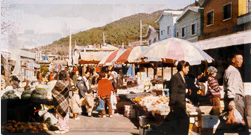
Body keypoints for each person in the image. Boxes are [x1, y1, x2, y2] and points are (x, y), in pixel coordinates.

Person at [215, 53, 248, 134]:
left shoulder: (232, 70)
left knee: (231, 120)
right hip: (235, 98)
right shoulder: (233, 71)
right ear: (233, 60)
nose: (241, 61)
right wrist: (231, 100)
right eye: (239, 59)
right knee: (239, 122)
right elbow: (231, 86)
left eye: (242, 59)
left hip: (234, 98)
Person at [168, 60, 190, 134]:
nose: (188, 70)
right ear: (183, 67)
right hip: (177, 105)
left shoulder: (183, 77)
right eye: (187, 68)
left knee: (182, 125)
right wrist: (172, 106)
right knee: (183, 123)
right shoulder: (175, 77)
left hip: (182, 105)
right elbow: (173, 92)